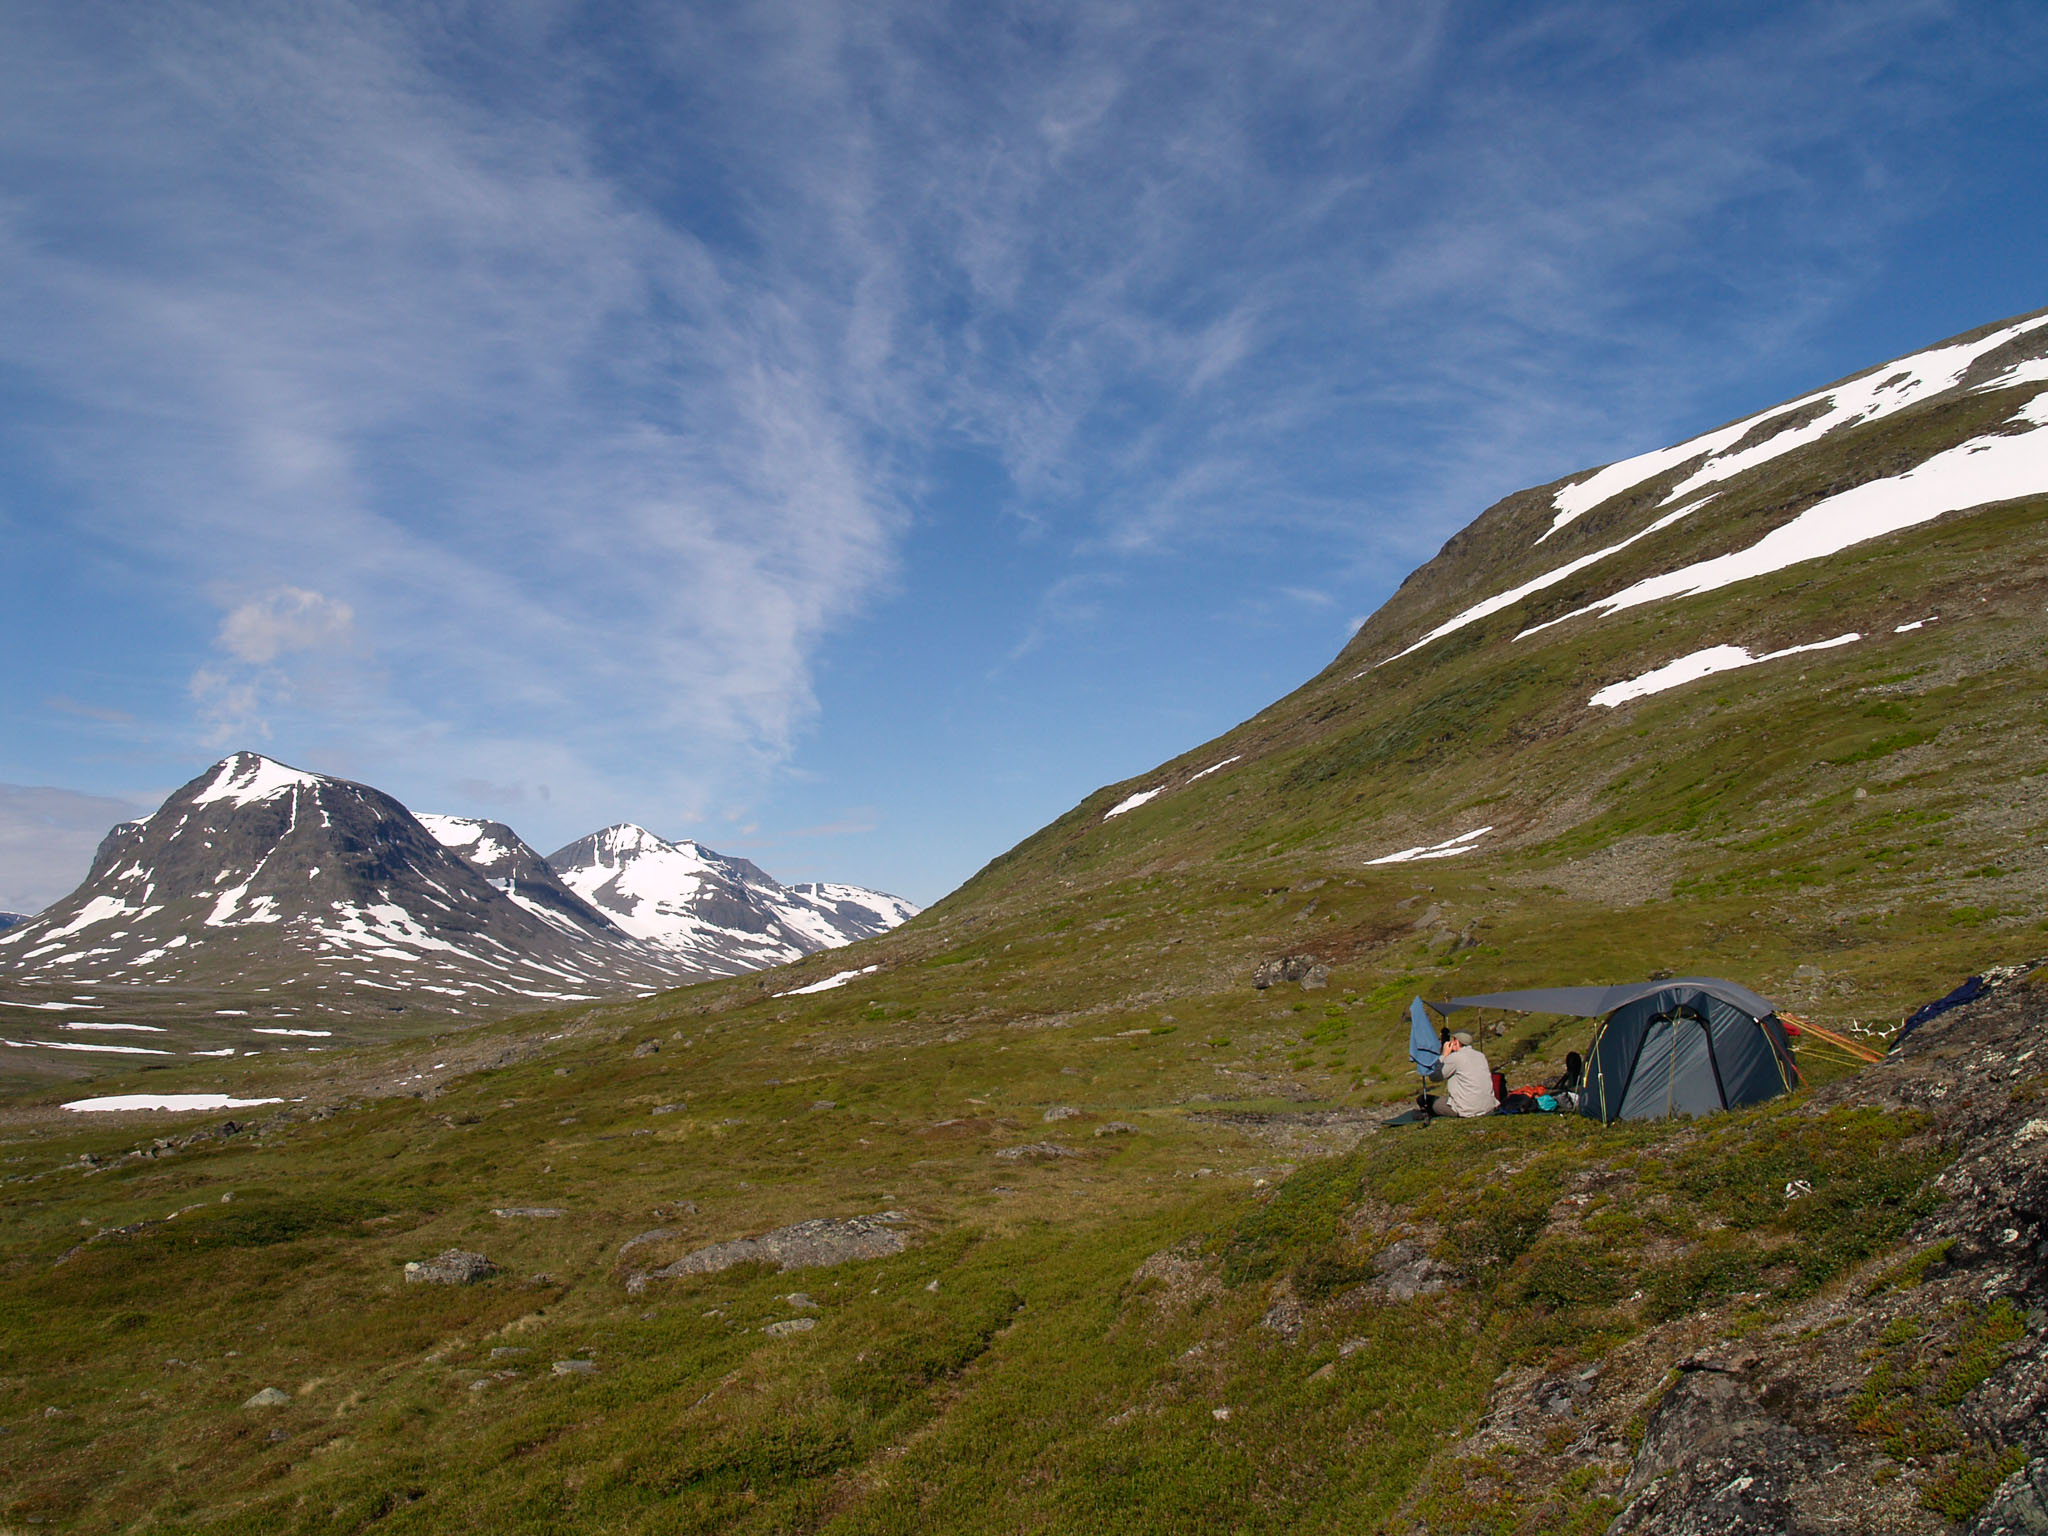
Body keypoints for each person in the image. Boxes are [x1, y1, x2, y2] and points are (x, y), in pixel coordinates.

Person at [1418, 1030, 1498, 1118]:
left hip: (1467, 1109)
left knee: (1423, 1099)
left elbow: (1434, 1077)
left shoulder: (1456, 1057)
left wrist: (1444, 1055)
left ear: (1456, 1042)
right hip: (1488, 1106)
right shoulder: (1480, 1056)